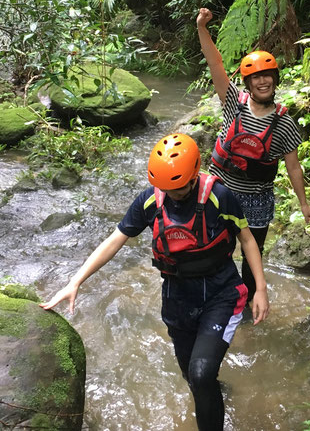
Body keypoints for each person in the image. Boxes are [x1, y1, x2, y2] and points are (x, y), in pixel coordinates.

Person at [40, 133, 269, 431]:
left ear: (193, 174)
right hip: (177, 298)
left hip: (221, 294)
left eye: (179, 187)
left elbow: (247, 240)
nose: (173, 193)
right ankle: (212, 390)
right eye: (166, 188)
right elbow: (115, 240)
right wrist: (76, 282)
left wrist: (260, 289)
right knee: (192, 374)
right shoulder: (151, 199)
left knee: (200, 373)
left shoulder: (219, 197)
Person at [196, 7, 310, 308]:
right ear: (248, 83)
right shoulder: (233, 103)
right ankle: (218, 299)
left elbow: (293, 167)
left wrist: (303, 203)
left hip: (256, 198)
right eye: (256, 78)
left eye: (268, 77)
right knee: (216, 248)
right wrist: (202, 28)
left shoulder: (285, 123)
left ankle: (249, 303)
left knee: (253, 255)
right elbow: (215, 63)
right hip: (220, 189)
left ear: (275, 80)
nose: (263, 82)